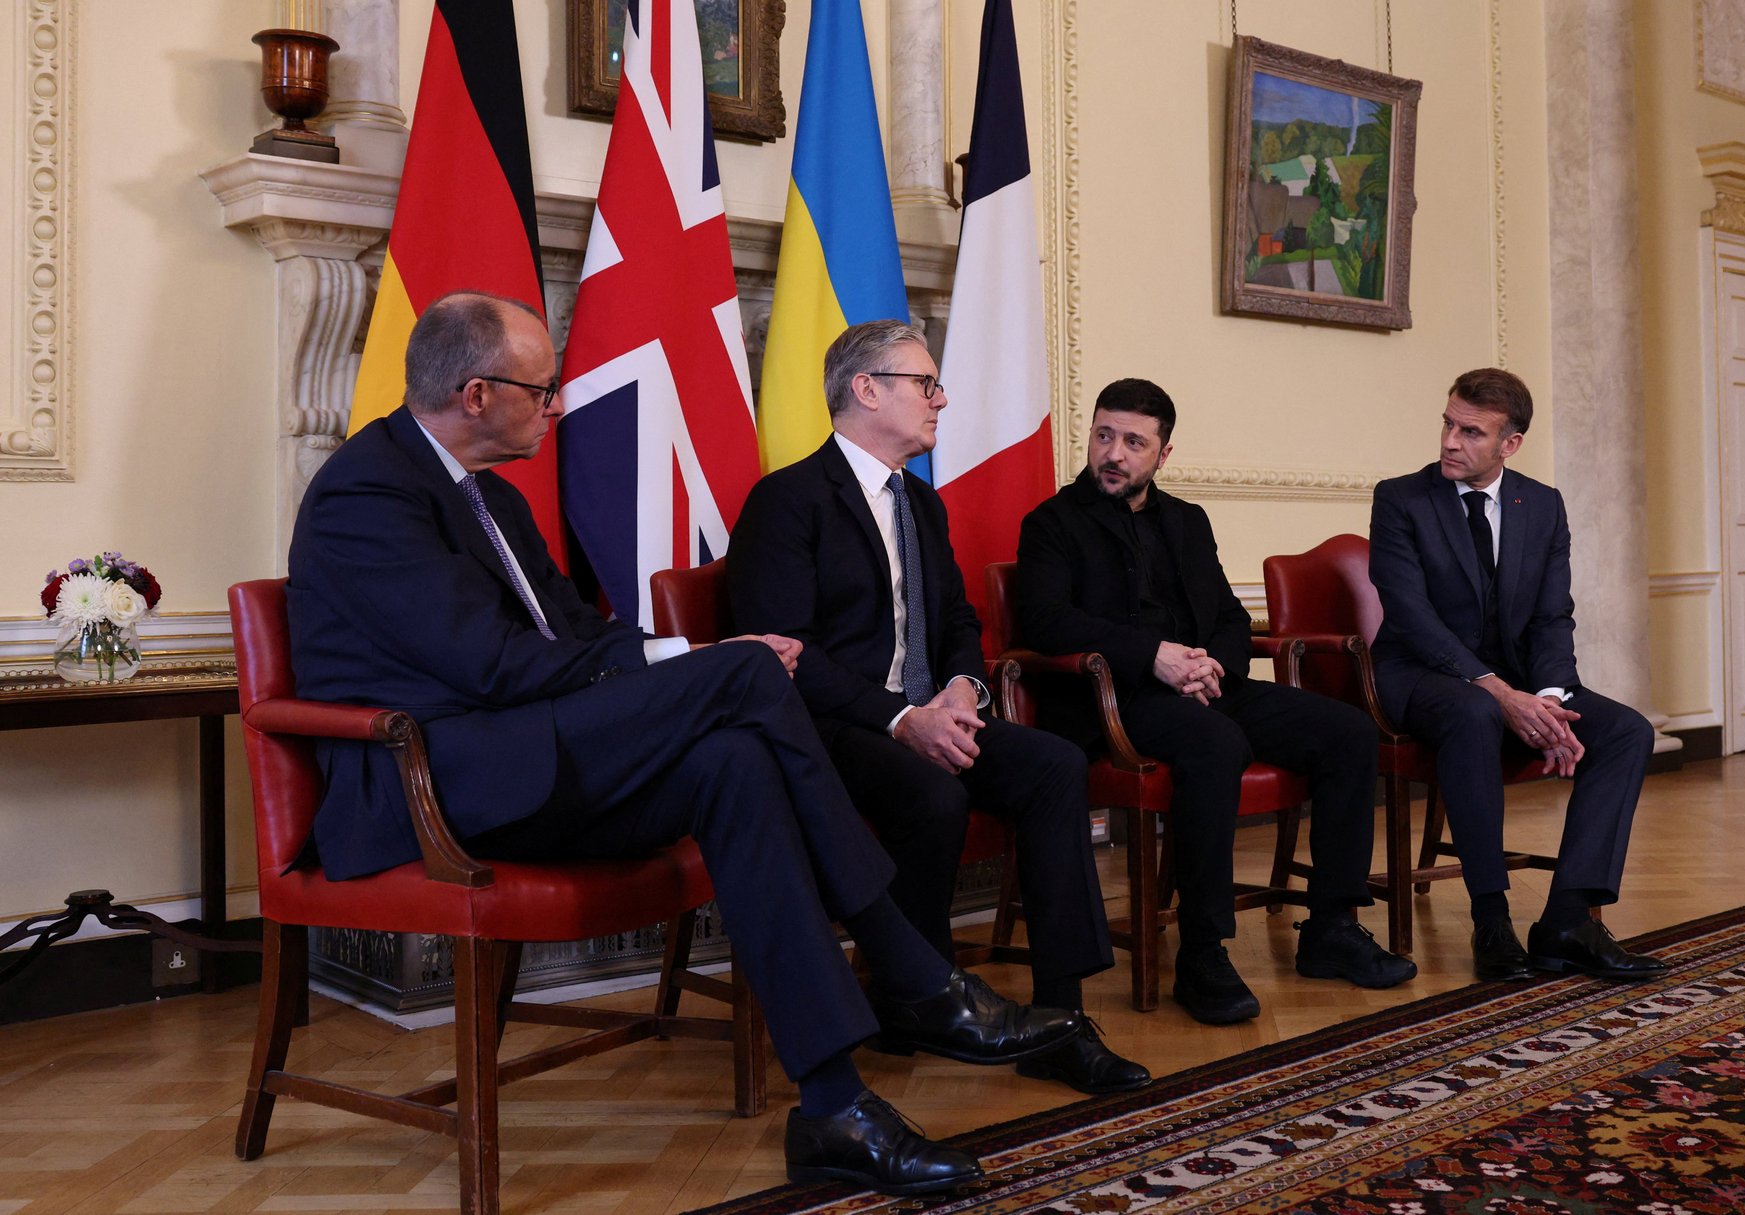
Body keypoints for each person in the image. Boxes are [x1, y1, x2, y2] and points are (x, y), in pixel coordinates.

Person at [286, 292, 1082, 1197]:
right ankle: (911, 968)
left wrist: (678, 658)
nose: (557, 406)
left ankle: (835, 1107)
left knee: (733, 762)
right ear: (476, 394)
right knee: (746, 671)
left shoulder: (493, 497)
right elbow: (491, 664)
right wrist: (692, 658)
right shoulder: (367, 489)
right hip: (436, 779)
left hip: (525, 750)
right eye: (543, 391)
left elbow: (578, 632)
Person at [728, 320, 1147, 1095]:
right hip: (833, 728)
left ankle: (1062, 1017)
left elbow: (956, 619)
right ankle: (917, 992)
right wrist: (899, 719)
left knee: (1055, 763)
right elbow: (784, 654)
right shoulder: (787, 501)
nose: (941, 399)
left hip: (930, 712)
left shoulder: (921, 503)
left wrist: (962, 689)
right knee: (932, 790)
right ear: (866, 390)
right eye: (925, 384)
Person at [1013, 378, 1416, 1026]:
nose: (1113, 453)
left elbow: (1228, 615)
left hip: (1203, 687)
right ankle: (1202, 952)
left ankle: (1332, 927)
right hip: (1116, 701)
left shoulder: (1187, 521)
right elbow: (1044, 620)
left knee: (1348, 731)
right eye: (1104, 435)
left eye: (1134, 442)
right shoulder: (1052, 524)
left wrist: (1213, 665)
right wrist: (1155, 656)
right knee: (1216, 743)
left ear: (1163, 453)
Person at [1366, 367, 1669, 985]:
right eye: (1448, 424)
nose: (1450, 441)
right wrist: (1502, 693)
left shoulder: (1543, 505)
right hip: (1418, 675)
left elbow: (1552, 616)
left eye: (1471, 432)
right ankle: (1492, 919)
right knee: (1476, 710)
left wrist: (1549, 701)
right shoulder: (1401, 499)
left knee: (1627, 731)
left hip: (1521, 680)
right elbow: (1412, 617)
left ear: (1511, 443)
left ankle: (1568, 921)